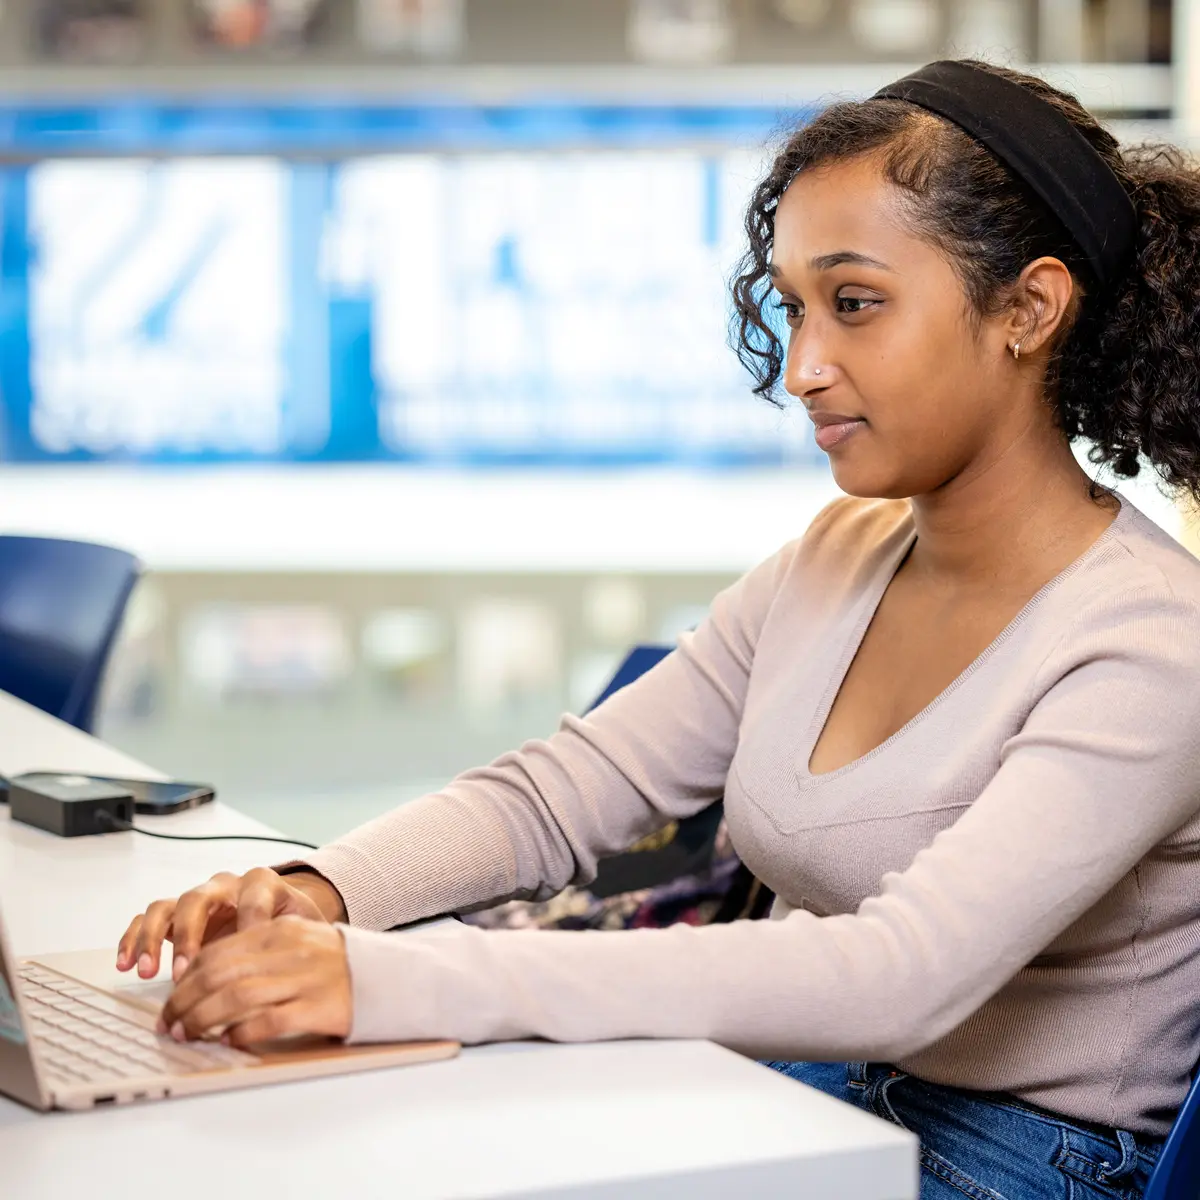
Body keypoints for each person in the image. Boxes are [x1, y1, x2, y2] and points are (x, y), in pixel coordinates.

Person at [118, 60, 1200, 1198]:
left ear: (1027, 309)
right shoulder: (834, 563)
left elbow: (901, 975)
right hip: (816, 1085)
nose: (803, 369)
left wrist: (394, 977)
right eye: (791, 306)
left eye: (856, 302)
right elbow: (566, 790)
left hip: (1021, 1155)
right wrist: (320, 893)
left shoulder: (1152, 643)